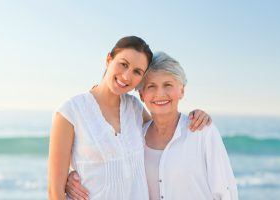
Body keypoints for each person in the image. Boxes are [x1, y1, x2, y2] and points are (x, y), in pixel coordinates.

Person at [48, 36, 212, 200]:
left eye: (137, 72)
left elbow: (165, 131)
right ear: (108, 59)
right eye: (123, 64)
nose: (126, 76)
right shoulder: (70, 113)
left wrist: (196, 116)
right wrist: (67, 179)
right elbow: (54, 192)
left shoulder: (134, 108)